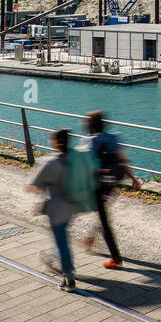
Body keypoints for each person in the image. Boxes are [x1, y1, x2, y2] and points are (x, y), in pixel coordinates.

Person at [29, 128, 91, 291]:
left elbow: (35, 186)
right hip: (73, 205)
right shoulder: (76, 159)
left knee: (62, 241)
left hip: (57, 208)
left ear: (55, 142)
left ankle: (69, 277)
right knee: (62, 238)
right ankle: (56, 259)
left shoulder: (50, 162)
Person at [81, 111, 140, 269]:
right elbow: (123, 160)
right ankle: (90, 239)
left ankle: (116, 258)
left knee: (103, 217)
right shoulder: (114, 137)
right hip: (113, 181)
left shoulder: (90, 141)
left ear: (90, 125)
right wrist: (133, 178)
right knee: (102, 211)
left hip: (98, 183)